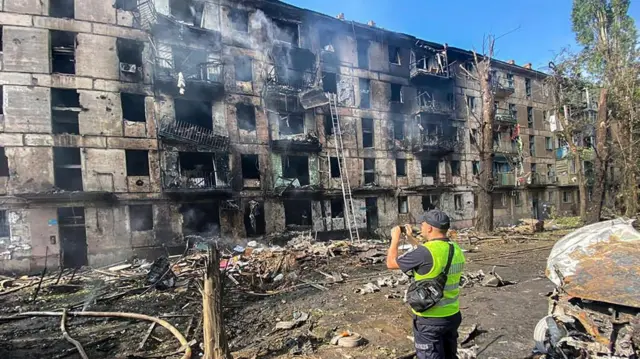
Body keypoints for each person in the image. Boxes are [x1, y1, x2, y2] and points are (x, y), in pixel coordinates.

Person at [386, 209, 466, 359]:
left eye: (422, 224)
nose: (421, 228)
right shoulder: (455, 249)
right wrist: (410, 238)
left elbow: (391, 263)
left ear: (429, 228)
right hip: (452, 316)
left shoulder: (426, 252)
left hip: (430, 319)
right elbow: (426, 255)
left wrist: (395, 238)